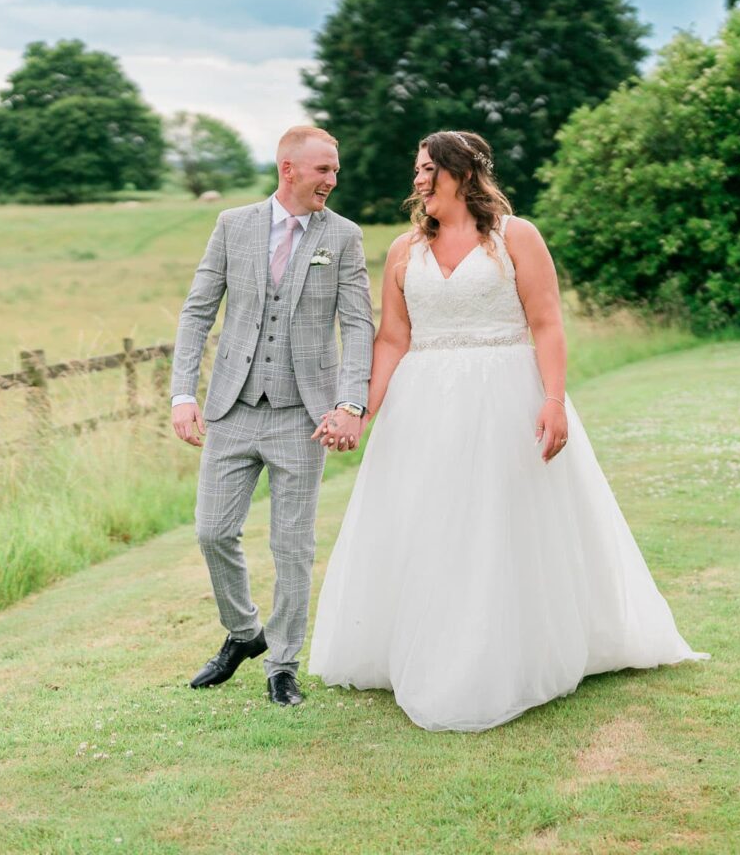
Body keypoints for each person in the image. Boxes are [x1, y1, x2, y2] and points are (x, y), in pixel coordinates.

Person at [307, 129, 709, 731]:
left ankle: (507, 652)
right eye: (416, 169)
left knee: (498, 521)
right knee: (427, 522)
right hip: (424, 403)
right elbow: (393, 339)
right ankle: (428, 645)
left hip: (504, 395)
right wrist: (359, 412)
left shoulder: (515, 238)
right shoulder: (401, 251)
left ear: (461, 174)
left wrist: (553, 399)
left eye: (426, 169)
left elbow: (546, 323)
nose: (417, 179)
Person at [169, 125, 374, 707]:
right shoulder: (233, 225)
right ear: (289, 169)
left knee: (292, 546)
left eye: (335, 171)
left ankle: (282, 663)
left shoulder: (345, 237)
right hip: (231, 408)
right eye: (323, 171)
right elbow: (197, 311)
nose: (332, 181)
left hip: (303, 416)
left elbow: (358, 323)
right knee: (213, 532)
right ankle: (243, 633)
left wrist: (350, 402)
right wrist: (183, 393)